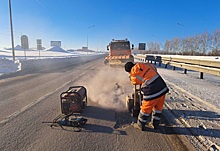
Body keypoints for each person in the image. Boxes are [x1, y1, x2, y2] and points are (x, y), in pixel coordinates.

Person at [124, 62, 169, 131]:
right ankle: (155, 124)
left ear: (129, 71)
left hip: (152, 92)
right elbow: (154, 68)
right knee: (158, 108)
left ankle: (140, 125)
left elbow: (134, 82)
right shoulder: (143, 65)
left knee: (145, 109)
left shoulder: (133, 73)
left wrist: (130, 76)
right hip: (162, 88)